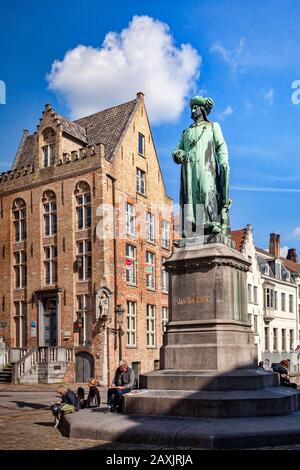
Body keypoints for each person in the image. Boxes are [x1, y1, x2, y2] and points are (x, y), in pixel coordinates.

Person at [172, 96, 230, 237]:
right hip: (190, 169)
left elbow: (221, 147)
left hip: (207, 167)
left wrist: (223, 162)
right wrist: (178, 153)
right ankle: (194, 227)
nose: (192, 110)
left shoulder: (212, 127)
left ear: (202, 110)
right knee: (192, 197)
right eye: (192, 108)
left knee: (207, 192)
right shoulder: (186, 132)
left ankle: (211, 222)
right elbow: (176, 150)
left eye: (196, 108)